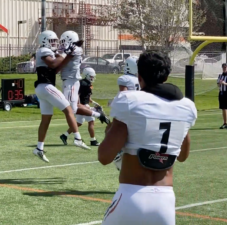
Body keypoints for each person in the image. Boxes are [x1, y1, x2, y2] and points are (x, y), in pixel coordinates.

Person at [98, 51, 197, 225]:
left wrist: (112, 130)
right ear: (167, 75)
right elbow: (183, 156)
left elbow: (104, 156)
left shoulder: (130, 101)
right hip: (165, 202)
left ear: (139, 75)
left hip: (131, 195)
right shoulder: (186, 106)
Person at [33, 30, 90, 163]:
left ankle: (39, 148)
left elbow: (56, 68)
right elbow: (53, 64)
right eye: (52, 41)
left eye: (55, 41)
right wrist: (65, 53)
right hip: (46, 86)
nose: (54, 43)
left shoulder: (49, 52)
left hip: (43, 88)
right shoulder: (42, 51)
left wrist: (67, 55)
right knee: (69, 109)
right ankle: (77, 139)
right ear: (44, 41)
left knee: (46, 119)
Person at [58, 31, 110, 125]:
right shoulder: (74, 48)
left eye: (63, 41)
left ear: (69, 40)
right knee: (75, 106)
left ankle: (97, 113)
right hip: (71, 80)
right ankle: (95, 111)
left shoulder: (75, 49)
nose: (62, 44)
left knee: (71, 109)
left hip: (71, 81)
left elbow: (64, 57)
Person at [60, 67, 100, 146]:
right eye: (91, 76)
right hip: (82, 106)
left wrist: (93, 102)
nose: (92, 78)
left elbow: (86, 96)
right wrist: (80, 105)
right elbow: (77, 94)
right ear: (87, 75)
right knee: (91, 121)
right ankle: (93, 140)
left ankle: (64, 135)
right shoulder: (84, 84)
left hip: (83, 105)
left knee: (79, 123)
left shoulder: (85, 83)